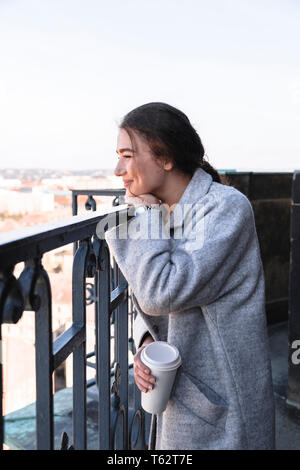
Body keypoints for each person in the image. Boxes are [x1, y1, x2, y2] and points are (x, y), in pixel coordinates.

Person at [104, 102, 275, 450]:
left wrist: (146, 212)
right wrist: (146, 341)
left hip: (224, 404)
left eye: (127, 155)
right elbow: (147, 289)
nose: (118, 168)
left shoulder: (226, 209)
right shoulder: (164, 209)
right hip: (183, 395)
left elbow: (161, 291)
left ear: (165, 158)